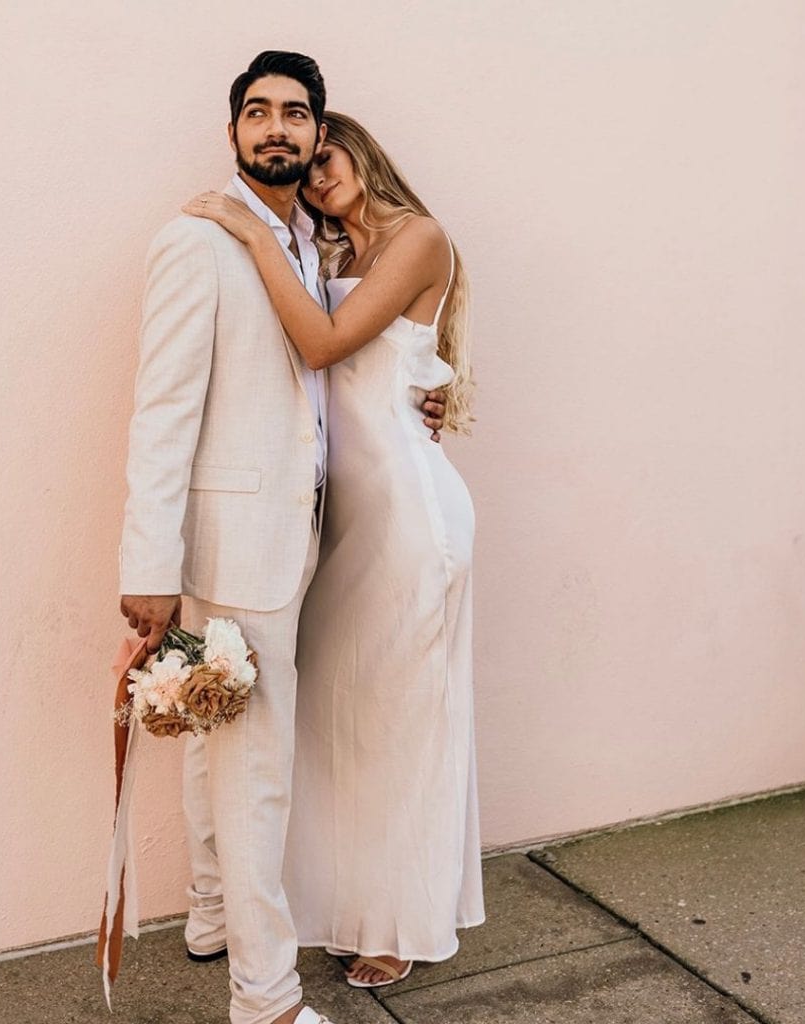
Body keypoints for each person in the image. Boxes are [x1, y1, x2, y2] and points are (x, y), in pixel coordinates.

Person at [118, 54, 444, 1024]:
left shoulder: (308, 243)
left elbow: (334, 374)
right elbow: (161, 413)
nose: (275, 128)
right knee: (251, 771)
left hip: (306, 533)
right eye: (256, 112)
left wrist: (420, 400)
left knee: (219, 741)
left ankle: (212, 913)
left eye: (293, 114)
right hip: (239, 540)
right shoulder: (198, 240)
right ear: (232, 133)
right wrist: (149, 565)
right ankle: (263, 999)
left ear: (316, 134)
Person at [183, 112, 484, 990]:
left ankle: (399, 923)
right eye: (307, 166)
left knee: (403, 723)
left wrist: (248, 229)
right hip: (334, 517)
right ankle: (340, 905)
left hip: (406, 513)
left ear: (360, 149)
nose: (317, 174)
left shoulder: (420, 237)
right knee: (338, 726)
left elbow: (322, 346)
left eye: (328, 154)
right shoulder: (325, 255)